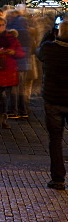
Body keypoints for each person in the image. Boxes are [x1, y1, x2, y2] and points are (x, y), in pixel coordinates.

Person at [36, 19, 68, 190]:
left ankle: (58, 178)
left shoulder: (49, 49)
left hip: (53, 101)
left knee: (55, 139)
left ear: (58, 33)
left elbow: (38, 52)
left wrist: (48, 34)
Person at [6, 4, 30, 118]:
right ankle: (23, 110)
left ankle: (13, 110)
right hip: (24, 62)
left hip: (16, 63)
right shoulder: (26, 30)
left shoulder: (13, 30)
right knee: (22, 88)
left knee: (14, 88)